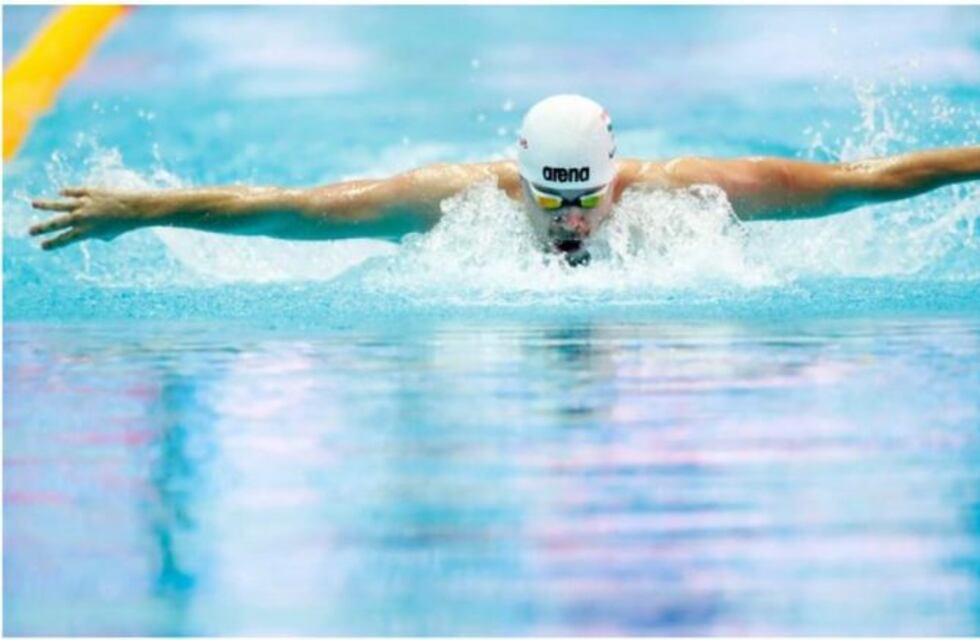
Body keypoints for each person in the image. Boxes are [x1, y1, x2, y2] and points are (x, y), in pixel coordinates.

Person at [30, 94, 980, 266]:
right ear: (518, 177)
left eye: (586, 197)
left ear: (618, 176)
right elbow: (293, 210)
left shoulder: (690, 192)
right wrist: (141, 209)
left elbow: (873, 180)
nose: (570, 221)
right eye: (549, 198)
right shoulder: (461, 199)